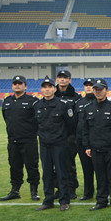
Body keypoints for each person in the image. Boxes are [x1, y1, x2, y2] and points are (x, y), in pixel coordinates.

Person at [34, 76, 75, 211]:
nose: (47, 90)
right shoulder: (37, 105)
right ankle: (48, 200)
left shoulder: (63, 104)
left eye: (50, 87)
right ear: (41, 90)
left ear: (54, 89)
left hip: (60, 144)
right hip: (44, 145)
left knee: (62, 173)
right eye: (44, 87)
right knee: (47, 174)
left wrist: (61, 137)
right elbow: (35, 125)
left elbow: (71, 125)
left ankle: (64, 201)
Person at [81, 79, 111, 211]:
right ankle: (101, 201)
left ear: (107, 90)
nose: (98, 92)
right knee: (100, 177)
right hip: (95, 149)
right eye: (96, 90)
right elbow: (85, 130)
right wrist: (87, 146)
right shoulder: (88, 109)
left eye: (101, 89)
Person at [0, 75, 40, 201]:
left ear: (25, 86)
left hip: (29, 140)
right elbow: (6, 118)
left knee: (32, 166)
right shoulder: (7, 101)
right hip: (13, 141)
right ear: (12, 86)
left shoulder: (32, 101)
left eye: (20, 83)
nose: (17, 85)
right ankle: (15, 190)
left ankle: (34, 191)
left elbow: (38, 120)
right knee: (14, 166)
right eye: (15, 83)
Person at [54, 69, 79, 200]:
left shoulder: (76, 97)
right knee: (56, 164)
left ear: (70, 80)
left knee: (69, 164)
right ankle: (60, 188)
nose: (62, 79)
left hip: (70, 136)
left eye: (65, 77)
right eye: (60, 77)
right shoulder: (52, 96)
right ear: (57, 80)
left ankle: (71, 188)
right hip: (55, 136)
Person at [74, 78, 96, 201]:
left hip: (97, 141)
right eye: (86, 85)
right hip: (82, 141)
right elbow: (75, 122)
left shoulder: (99, 102)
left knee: (101, 169)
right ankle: (88, 192)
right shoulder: (79, 103)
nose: (88, 87)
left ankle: (104, 191)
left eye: (91, 85)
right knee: (87, 169)